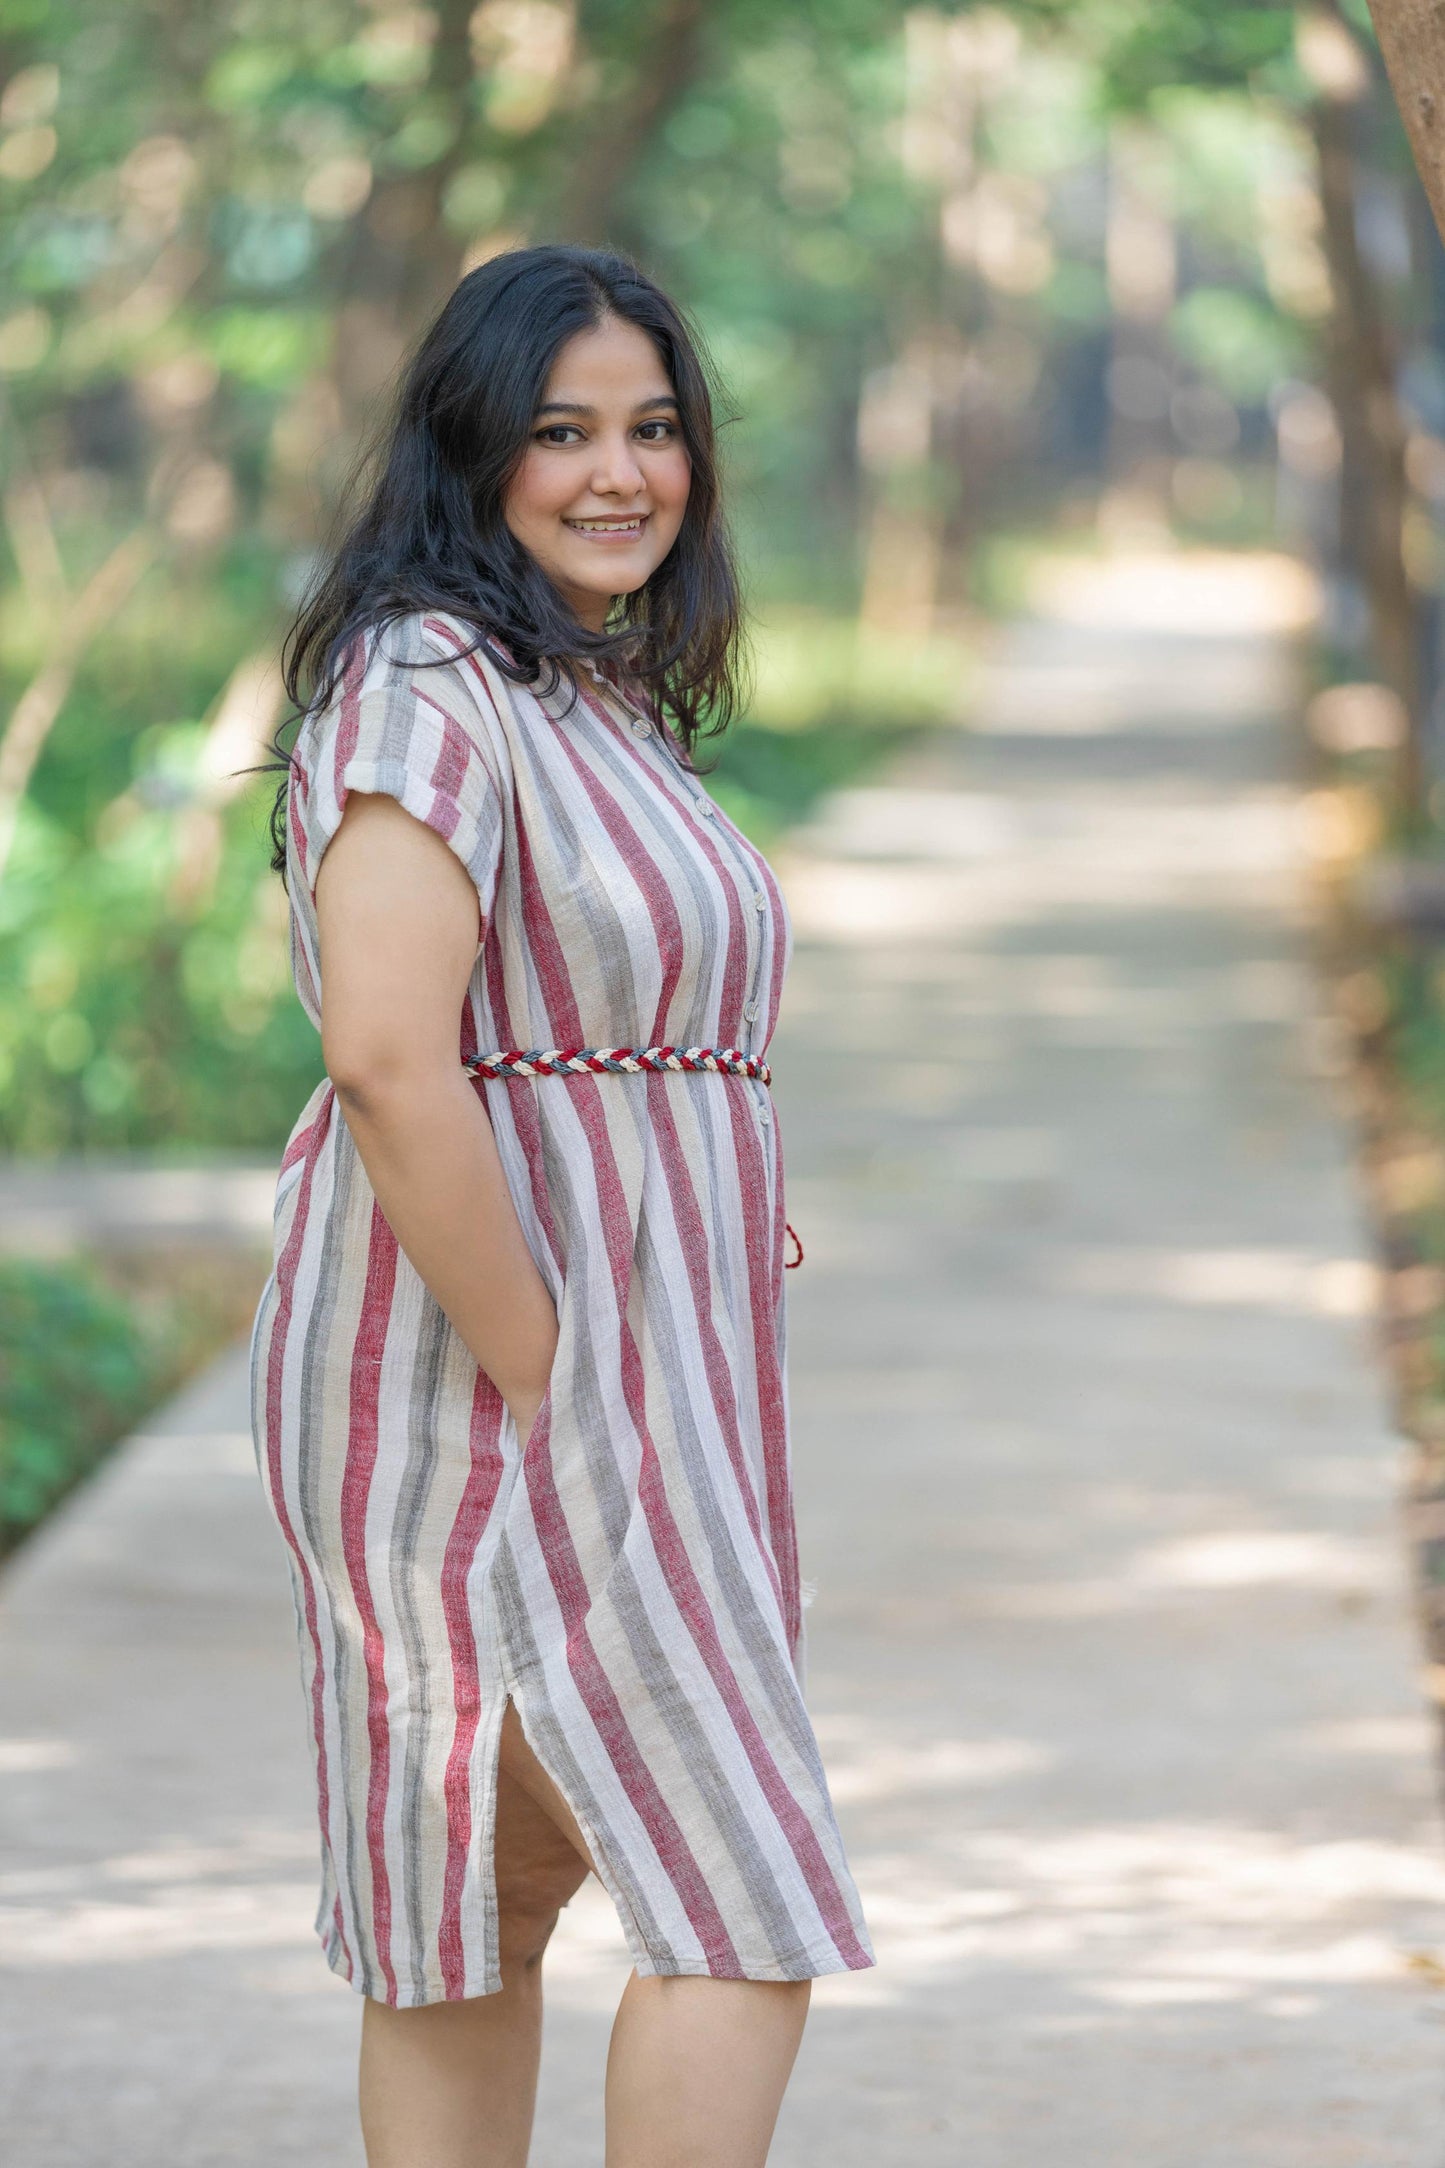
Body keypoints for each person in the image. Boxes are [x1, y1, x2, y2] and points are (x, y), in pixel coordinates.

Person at [249, 242, 874, 2168]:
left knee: (478, 1902)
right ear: (471, 454)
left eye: (655, 428)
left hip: (634, 1375)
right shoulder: (420, 683)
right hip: (491, 1377)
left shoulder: (582, 694)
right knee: (737, 1888)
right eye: (562, 432)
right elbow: (385, 1054)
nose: (622, 474)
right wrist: (551, 1366)